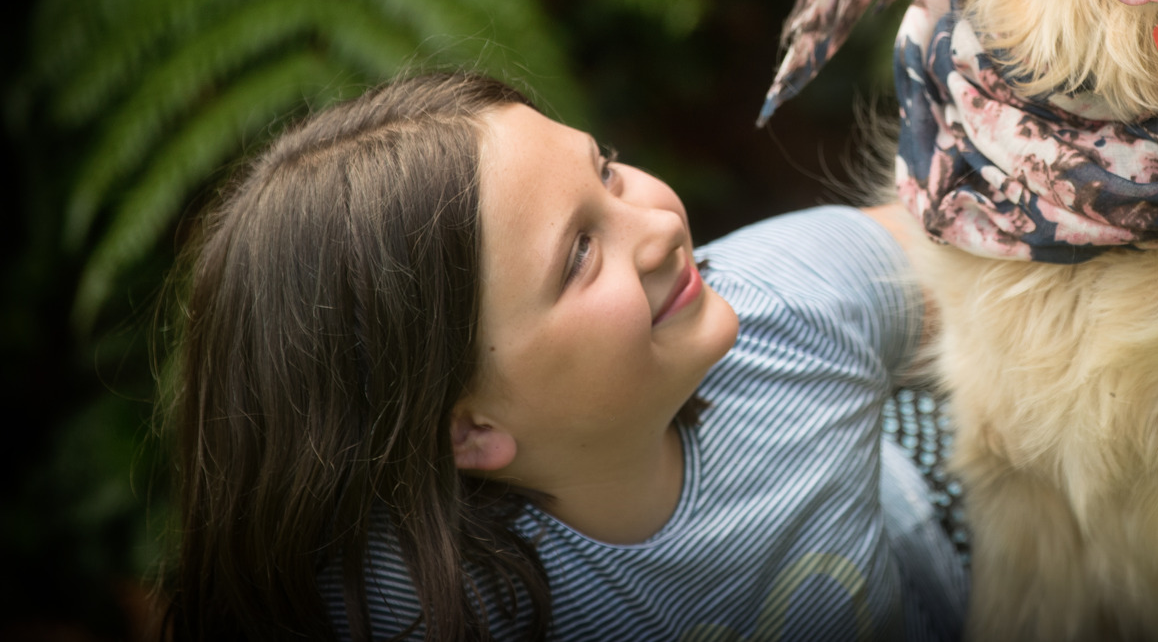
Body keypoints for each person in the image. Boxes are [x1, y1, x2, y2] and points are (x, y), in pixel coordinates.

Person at [164, 72, 966, 641]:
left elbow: (1000, 253)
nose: (658, 228)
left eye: (608, 172)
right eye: (580, 254)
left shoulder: (794, 305)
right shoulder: (417, 606)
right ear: (470, 432)